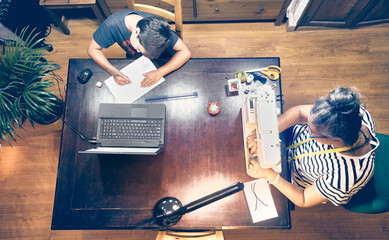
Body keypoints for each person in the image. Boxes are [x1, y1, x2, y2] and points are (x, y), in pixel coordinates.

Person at [247, 87, 379, 207]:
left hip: (291, 176)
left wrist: (270, 176)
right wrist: (266, 134)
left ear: (334, 140)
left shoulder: (346, 177)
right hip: (288, 139)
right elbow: (299, 113)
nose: (308, 131)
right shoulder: (348, 112)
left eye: (312, 132)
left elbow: (303, 198)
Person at [87, 10, 191, 87]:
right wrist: (114, 73)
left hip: (164, 62)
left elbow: (185, 52)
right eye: (138, 48)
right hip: (136, 62)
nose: (139, 51)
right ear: (136, 31)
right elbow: (92, 50)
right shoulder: (112, 25)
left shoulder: (160, 31)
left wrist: (160, 72)